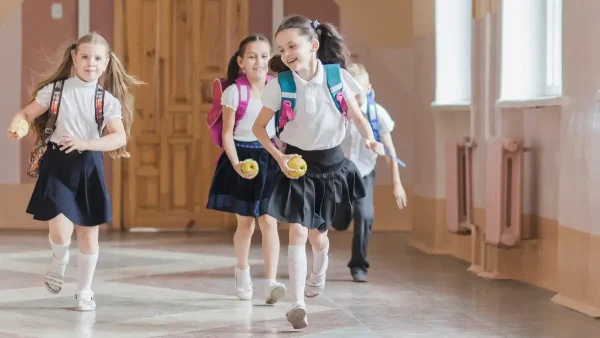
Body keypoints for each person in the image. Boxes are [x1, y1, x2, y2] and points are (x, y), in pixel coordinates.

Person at [252, 16, 385, 330]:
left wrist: (369, 137)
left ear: (313, 45)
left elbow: (356, 113)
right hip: (297, 165)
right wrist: (279, 158)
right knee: (297, 231)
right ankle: (298, 304)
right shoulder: (281, 84)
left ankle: (319, 271)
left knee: (319, 238)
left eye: (292, 46)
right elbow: (260, 128)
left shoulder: (336, 76)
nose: (286, 53)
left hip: (331, 166)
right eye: (281, 49)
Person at [6, 32, 142, 311]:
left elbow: (118, 137)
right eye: (84, 57)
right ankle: (59, 257)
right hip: (57, 164)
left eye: (97, 58)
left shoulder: (106, 101)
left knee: (88, 234)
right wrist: (17, 124)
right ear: (74, 58)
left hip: (88, 166)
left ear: (105, 63)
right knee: (59, 231)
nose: (90, 63)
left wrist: (86, 143)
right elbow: (27, 114)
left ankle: (84, 291)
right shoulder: (55, 91)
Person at [206, 35, 286, 304]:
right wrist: (237, 164)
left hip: (269, 157)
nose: (259, 62)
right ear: (241, 62)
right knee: (246, 224)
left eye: (264, 56)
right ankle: (242, 271)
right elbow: (227, 134)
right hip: (242, 156)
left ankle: (272, 282)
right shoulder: (234, 92)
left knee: (269, 221)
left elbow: (282, 126)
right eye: (252, 56)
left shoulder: (276, 87)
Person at [334, 63, 407, 283]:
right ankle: (338, 217)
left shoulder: (378, 114)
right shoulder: (338, 111)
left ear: (369, 89)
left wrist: (397, 183)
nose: (355, 97)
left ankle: (359, 265)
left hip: (364, 173)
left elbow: (390, 151)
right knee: (339, 222)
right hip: (340, 173)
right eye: (351, 92)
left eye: (360, 92)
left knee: (364, 215)